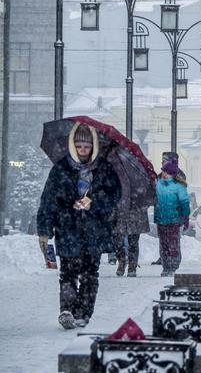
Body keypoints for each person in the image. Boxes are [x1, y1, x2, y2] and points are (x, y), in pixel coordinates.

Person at [37, 123, 121, 329]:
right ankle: (67, 310)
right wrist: (45, 229)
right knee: (68, 273)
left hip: (94, 231)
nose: (83, 150)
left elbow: (114, 195)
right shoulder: (61, 169)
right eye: (79, 146)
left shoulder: (104, 168)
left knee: (90, 274)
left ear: (93, 147)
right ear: (73, 146)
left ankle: (83, 313)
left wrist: (93, 201)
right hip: (68, 228)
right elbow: (49, 200)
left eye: (87, 146)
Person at [155, 159, 190, 277]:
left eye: (164, 171)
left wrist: (185, 218)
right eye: (162, 171)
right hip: (161, 220)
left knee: (173, 243)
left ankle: (173, 266)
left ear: (170, 173)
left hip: (174, 220)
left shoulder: (179, 186)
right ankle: (166, 266)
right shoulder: (157, 183)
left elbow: (185, 204)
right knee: (163, 243)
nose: (162, 173)